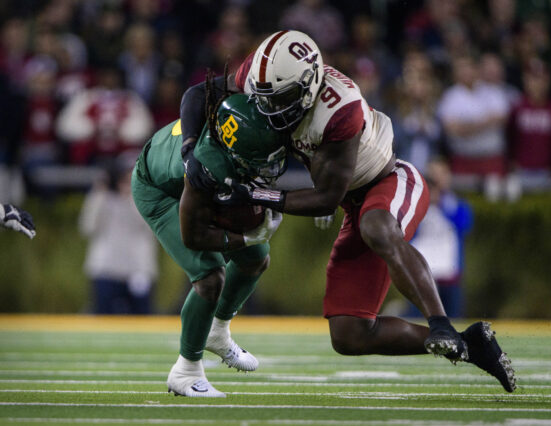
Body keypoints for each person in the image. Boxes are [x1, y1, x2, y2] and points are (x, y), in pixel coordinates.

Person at [180, 31, 516, 393]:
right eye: (264, 98)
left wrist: (258, 194)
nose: (269, 108)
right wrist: (189, 150)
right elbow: (198, 94)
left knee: (377, 226)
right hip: (351, 202)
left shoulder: (341, 108)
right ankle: (469, 346)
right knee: (349, 334)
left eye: (282, 99)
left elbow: (325, 198)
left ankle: (441, 324)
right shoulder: (264, 77)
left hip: (390, 180)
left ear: (308, 83)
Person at [131, 83, 286, 397]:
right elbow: (194, 237)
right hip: (159, 190)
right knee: (210, 278)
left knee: (258, 256)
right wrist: (245, 236)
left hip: (192, 173)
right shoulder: (209, 164)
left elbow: (199, 91)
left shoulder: (248, 115)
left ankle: (218, 331)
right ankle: (185, 371)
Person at [79, 158, 157, 314]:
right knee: (103, 317)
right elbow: (87, 228)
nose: (126, 183)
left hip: (138, 270)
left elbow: (151, 228)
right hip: (106, 269)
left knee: (142, 320)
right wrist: (99, 194)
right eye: (124, 179)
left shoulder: (146, 197)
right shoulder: (102, 198)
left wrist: (133, 196)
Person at [410, 160, 473, 318]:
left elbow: (464, 226)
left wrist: (443, 206)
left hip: (449, 273)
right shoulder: (414, 205)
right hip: (421, 273)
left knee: (452, 319)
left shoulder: (456, 204)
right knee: (417, 319)